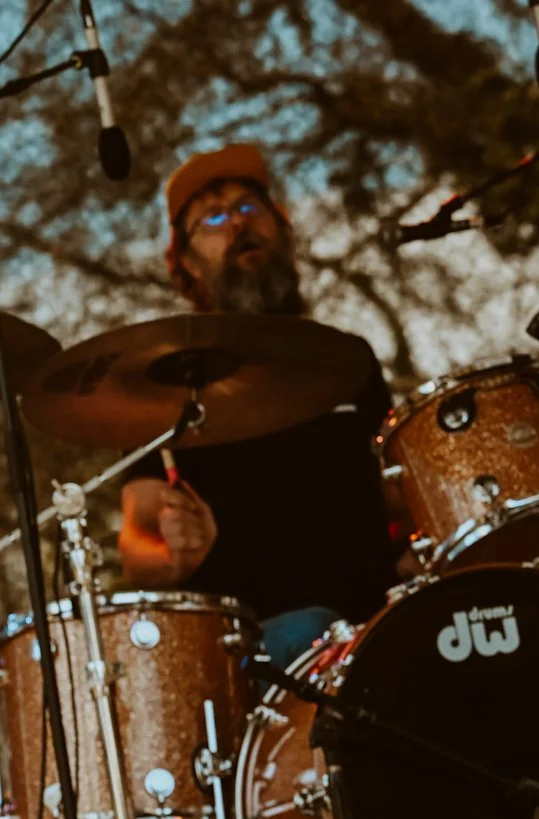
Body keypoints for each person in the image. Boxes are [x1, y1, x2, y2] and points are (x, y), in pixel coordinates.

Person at [118, 145, 403, 668]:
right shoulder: (171, 389)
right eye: (214, 219)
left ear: (283, 227)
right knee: (310, 627)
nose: (237, 226)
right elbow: (135, 538)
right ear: (185, 263)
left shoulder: (345, 359)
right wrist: (172, 556)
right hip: (254, 652)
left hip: (376, 628)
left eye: (250, 208)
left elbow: (399, 494)